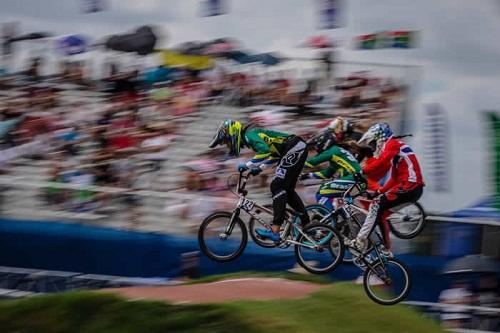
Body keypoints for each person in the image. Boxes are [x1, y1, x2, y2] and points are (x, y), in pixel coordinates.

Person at [209, 119, 309, 242]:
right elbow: (274, 155)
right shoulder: (250, 135)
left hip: (294, 147)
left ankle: (275, 230)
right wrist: (260, 168)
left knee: (276, 186)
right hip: (296, 148)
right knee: (287, 190)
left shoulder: (248, 135)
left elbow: (265, 151)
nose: (228, 145)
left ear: (232, 134)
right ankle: (307, 225)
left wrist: (247, 165)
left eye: (226, 141)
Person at [349, 122, 425, 252]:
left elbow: (381, 162)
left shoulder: (392, 143)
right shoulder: (396, 149)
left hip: (410, 185)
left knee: (376, 205)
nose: (372, 148)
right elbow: (394, 178)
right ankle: (386, 250)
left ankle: (360, 240)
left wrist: (362, 171)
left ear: (380, 137)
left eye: (373, 143)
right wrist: (378, 191)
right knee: (381, 212)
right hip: (412, 188)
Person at [300, 129, 363, 212]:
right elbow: (327, 173)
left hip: (352, 177)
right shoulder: (337, 152)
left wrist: (294, 164)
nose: (316, 148)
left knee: (322, 192)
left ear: (325, 142)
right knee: (336, 199)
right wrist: (308, 175)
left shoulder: (333, 151)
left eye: (317, 145)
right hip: (355, 178)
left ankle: (330, 218)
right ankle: (343, 220)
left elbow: (312, 162)